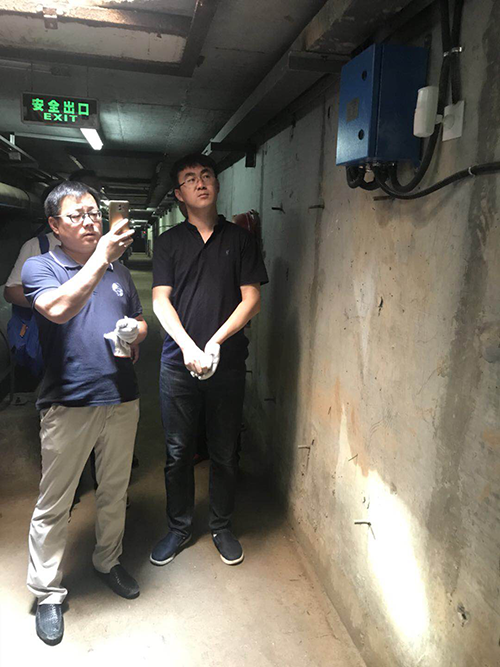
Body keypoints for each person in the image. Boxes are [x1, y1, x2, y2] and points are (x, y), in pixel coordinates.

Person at [21, 181, 147, 646]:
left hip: (122, 398)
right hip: (69, 402)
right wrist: (101, 259)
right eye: (77, 215)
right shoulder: (41, 267)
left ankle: (108, 561)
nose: (91, 221)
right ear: (55, 225)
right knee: (55, 502)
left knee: (114, 491)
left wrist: (135, 332)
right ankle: (47, 593)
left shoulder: (119, 271)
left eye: (94, 212)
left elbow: (141, 319)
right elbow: (57, 309)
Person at [150, 153, 268, 568]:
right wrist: (187, 346)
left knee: (224, 449)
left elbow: (252, 299)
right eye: (190, 179)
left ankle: (221, 525)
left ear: (216, 184)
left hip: (227, 362)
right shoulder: (168, 243)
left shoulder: (240, 240)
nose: (200, 183)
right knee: (178, 450)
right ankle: (179, 527)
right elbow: (160, 300)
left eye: (206, 175)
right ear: (179, 194)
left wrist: (215, 342)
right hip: (176, 363)